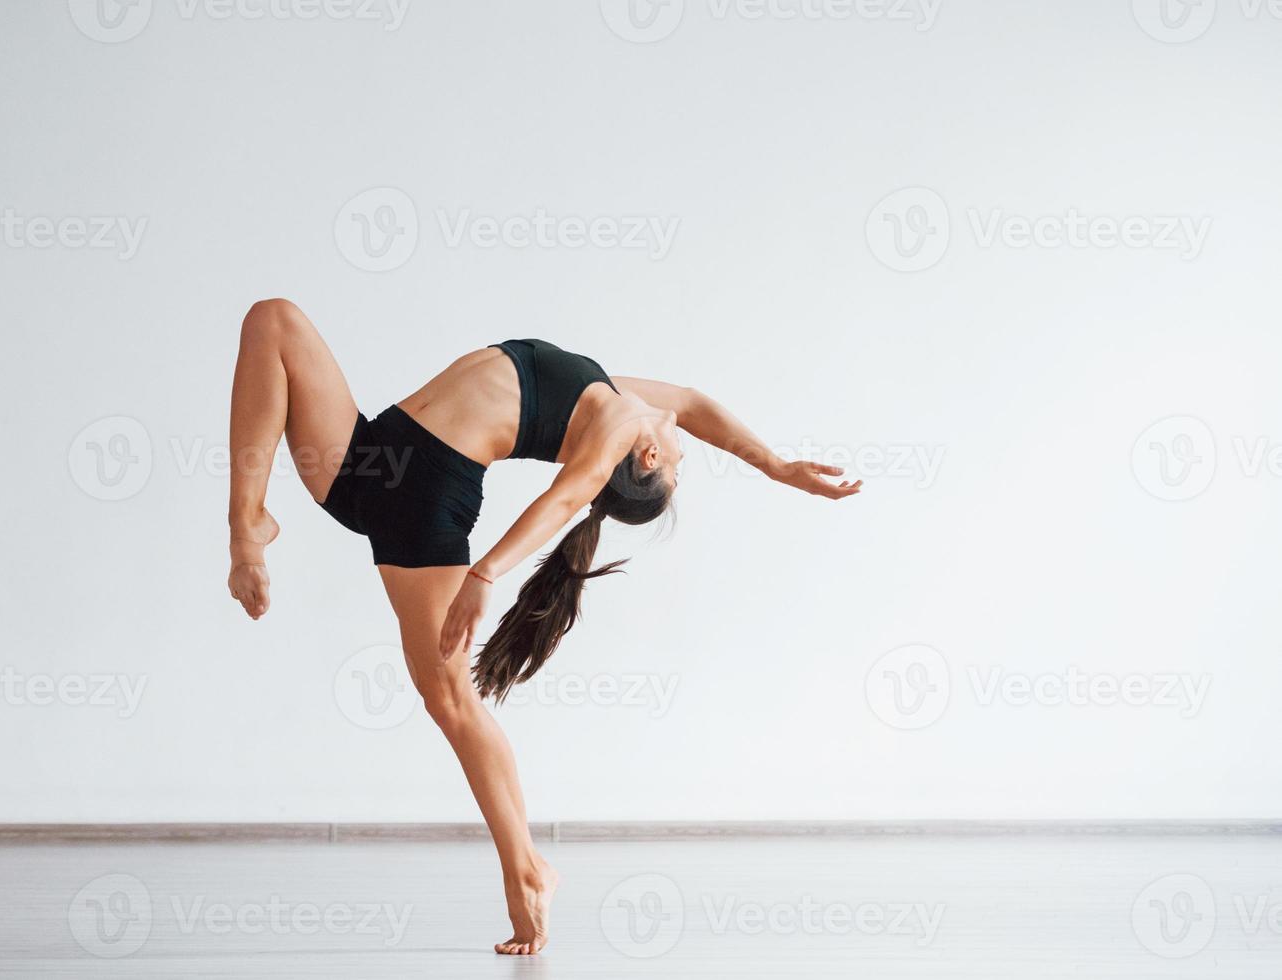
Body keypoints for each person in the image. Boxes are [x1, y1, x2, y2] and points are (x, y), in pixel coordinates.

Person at [225, 299, 861, 955]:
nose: (683, 454)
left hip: (420, 504)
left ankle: (527, 871)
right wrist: (778, 466)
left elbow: (566, 496)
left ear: (643, 455)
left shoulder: (617, 425)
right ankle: (247, 527)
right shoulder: (615, 400)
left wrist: (485, 574)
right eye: (681, 465)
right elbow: (696, 405)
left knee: (449, 699)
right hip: (366, 457)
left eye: (676, 465)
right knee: (272, 320)